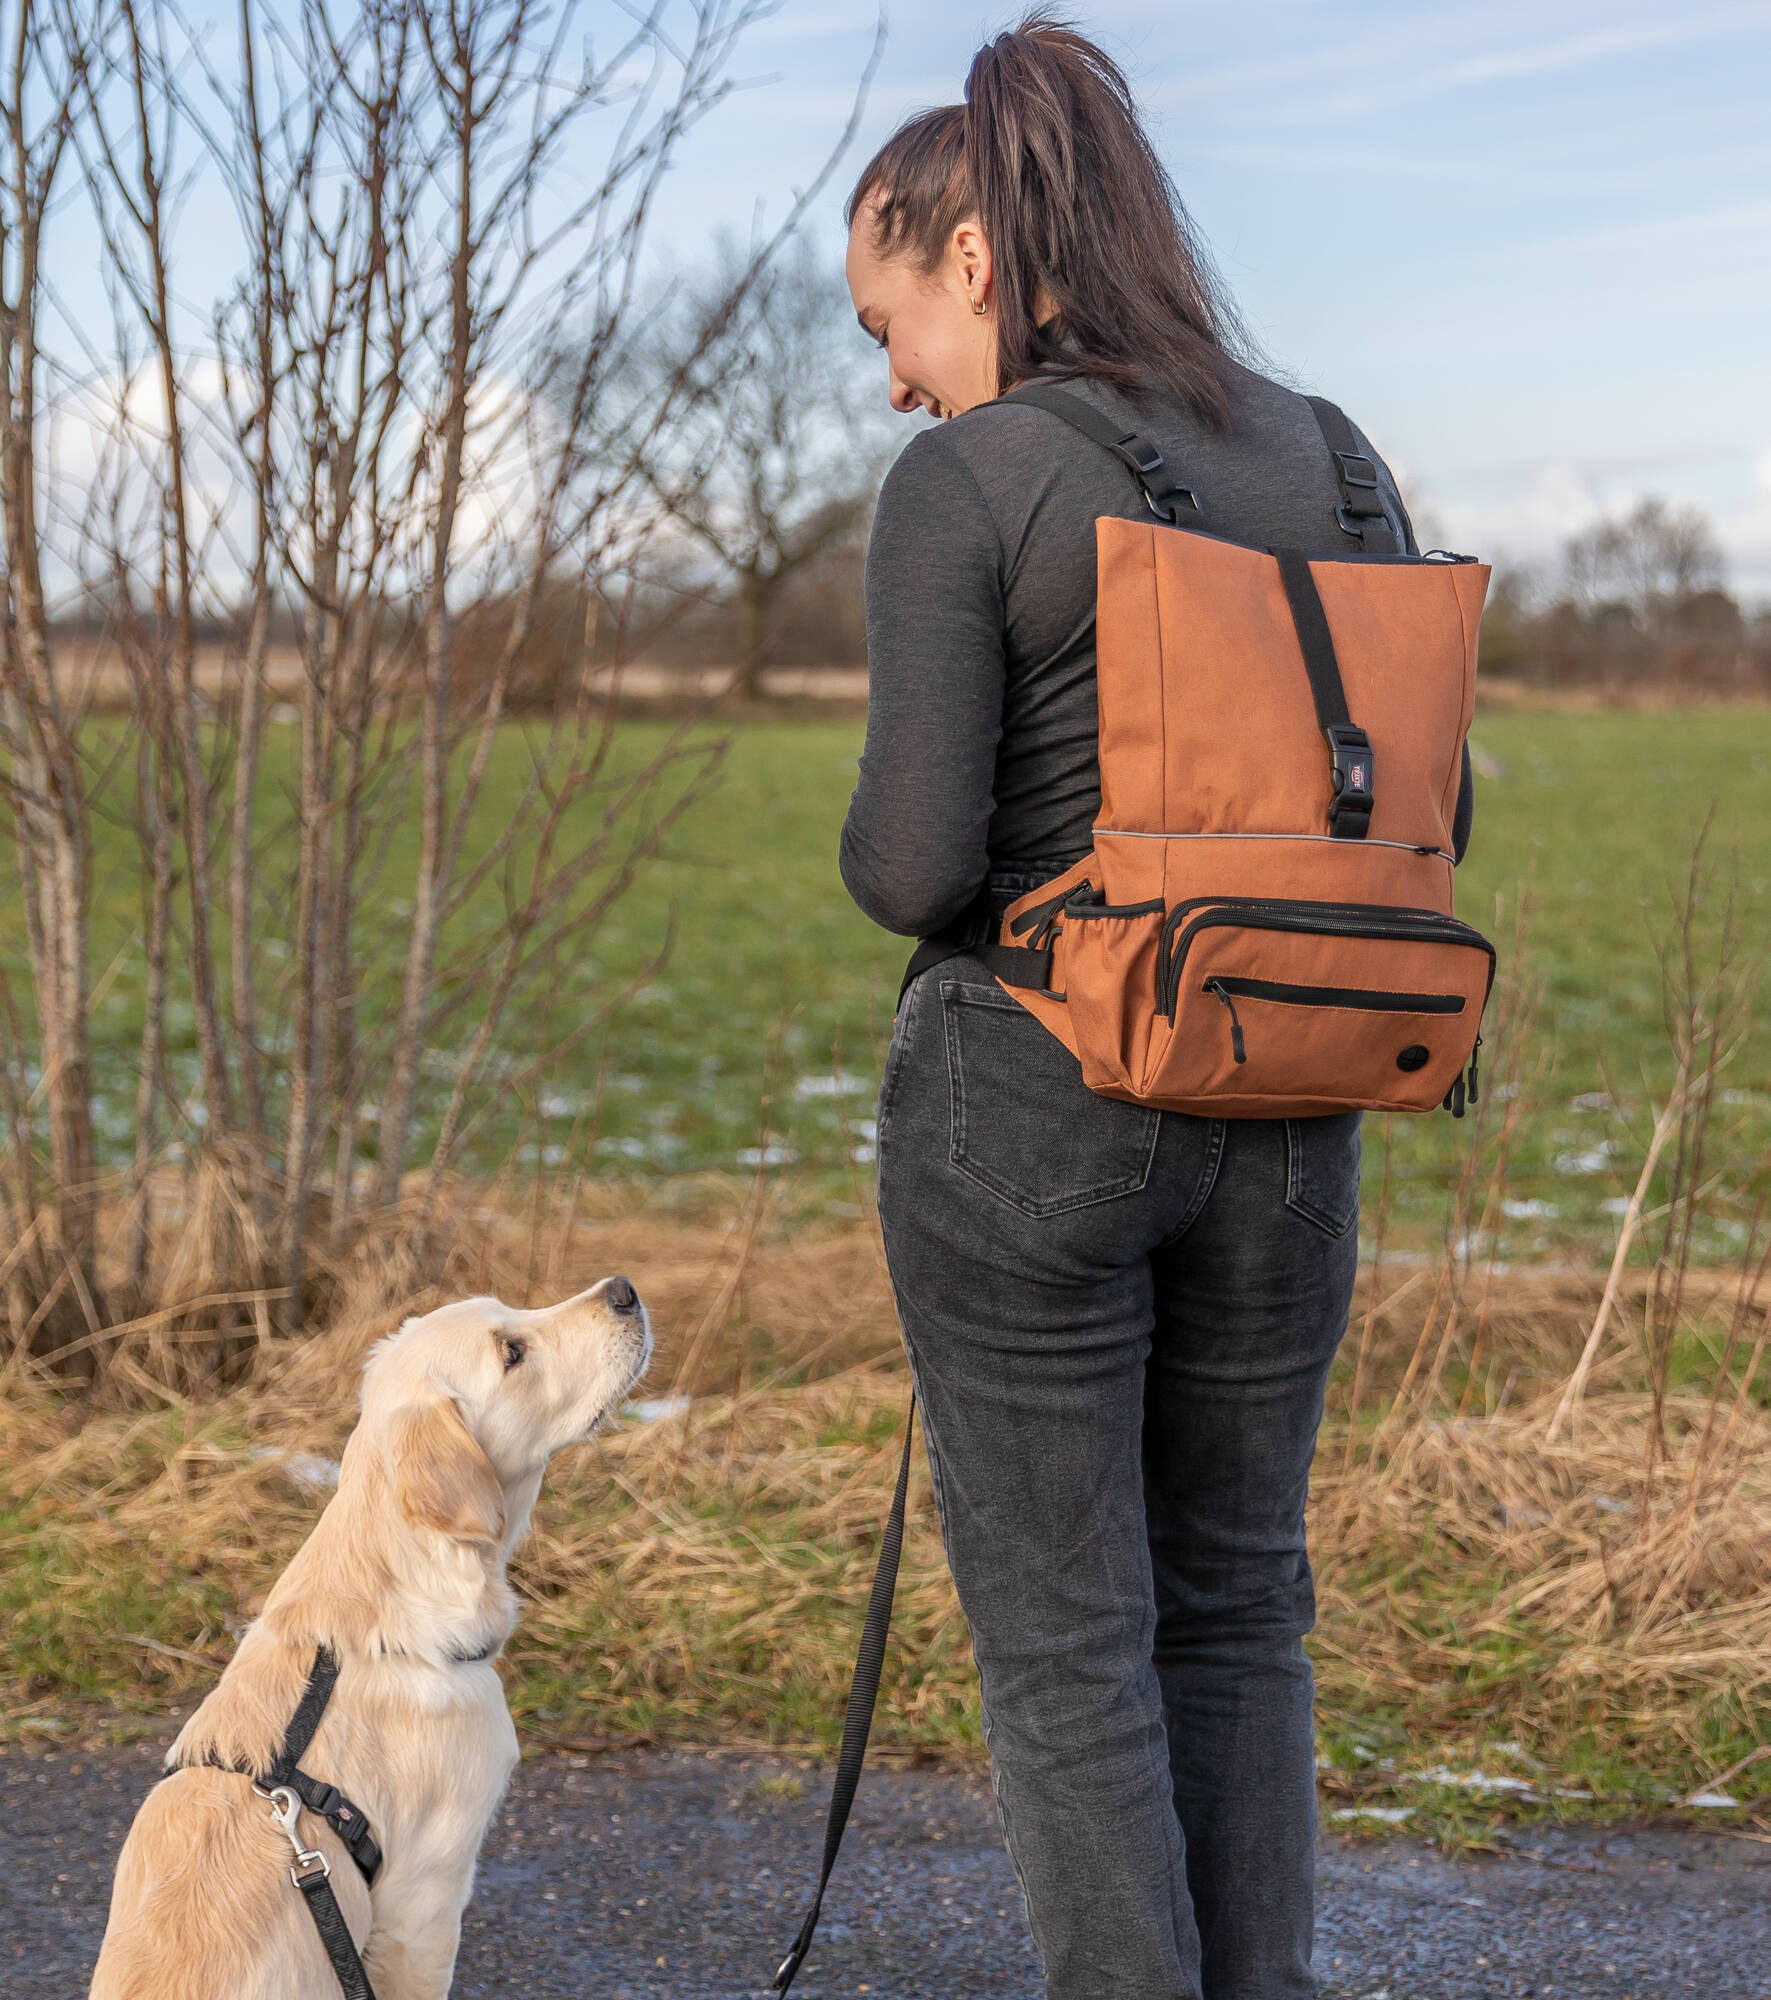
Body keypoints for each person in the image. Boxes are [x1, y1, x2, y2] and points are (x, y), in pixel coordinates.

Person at [839, 15, 1473, 2000]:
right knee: (1235, 1606)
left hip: (1027, 1104)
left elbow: (916, 866)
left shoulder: (975, 478)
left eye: (890, 323)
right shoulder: (1341, 457)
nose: (889, 383)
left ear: (970, 262)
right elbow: (1433, 800)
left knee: (1067, 1650)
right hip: (1292, 1103)